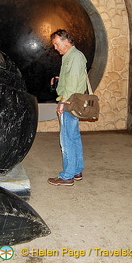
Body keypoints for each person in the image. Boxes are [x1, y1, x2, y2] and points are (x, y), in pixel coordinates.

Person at [47, 29, 87, 186]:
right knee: (74, 136)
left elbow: (72, 83)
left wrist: (62, 102)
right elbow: (72, 78)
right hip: (72, 100)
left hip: (69, 102)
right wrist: (59, 79)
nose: (56, 48)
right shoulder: (71, 56)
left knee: (66, 139)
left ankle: (67, 176)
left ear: (65, 41)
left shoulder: (74, 57)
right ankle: (76, 170)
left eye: (57, 44)